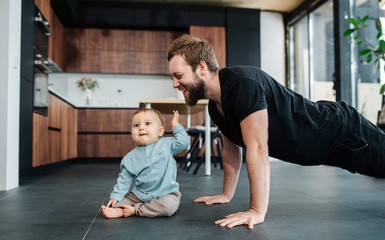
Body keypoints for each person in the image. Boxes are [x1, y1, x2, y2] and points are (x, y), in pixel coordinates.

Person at [166, 34, 385, 229]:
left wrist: (256, 210)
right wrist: (226, 195)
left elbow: (258, 148)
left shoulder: (243, 84)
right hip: (327, 149)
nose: (175, 84)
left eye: (178, 75)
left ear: (202, 68)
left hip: (343, 131)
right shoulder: (216, 106)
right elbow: (232, 151)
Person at [101, 108, 190, 218]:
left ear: (160, 131)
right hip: (139, 195)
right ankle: (120, 209)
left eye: (147, 123)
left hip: (166, 193)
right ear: (131, 133)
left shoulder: (168, 144)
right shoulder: (129, 158)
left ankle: (136, 210)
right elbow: (124, 180)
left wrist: (175, 125)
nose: (141, 128)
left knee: (168, 207)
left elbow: (184, 142)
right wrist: (116, 196)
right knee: (125, 200)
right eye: (136, 125)